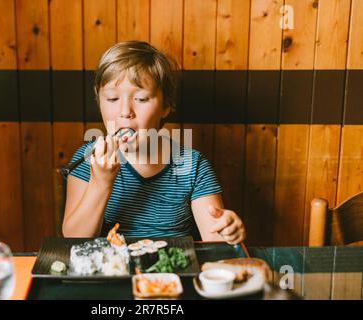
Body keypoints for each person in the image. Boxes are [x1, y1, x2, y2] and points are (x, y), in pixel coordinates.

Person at [62, 41, 245, 244]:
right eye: (113, 99)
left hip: (171, 272)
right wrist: (101, 182)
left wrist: (228, 230)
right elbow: (73, 240)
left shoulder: (192, 165)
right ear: (99, 102)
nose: (125, 112)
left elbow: (215, 241)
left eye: (141, 99)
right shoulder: (88, 159)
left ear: (166, 106)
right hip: (110, 272)